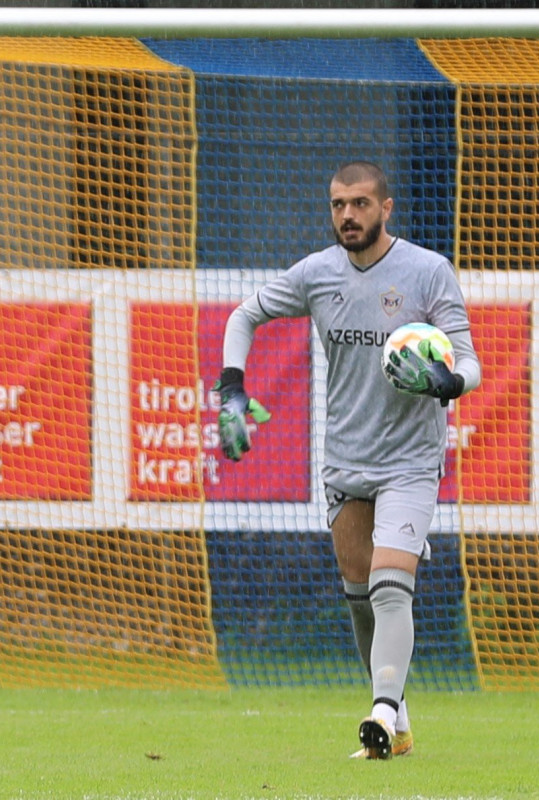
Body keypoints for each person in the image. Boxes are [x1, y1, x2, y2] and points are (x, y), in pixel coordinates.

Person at [216, 160, 481, 760]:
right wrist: (232, 388)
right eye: (338, 204)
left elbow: (470, 363)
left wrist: (446, 382)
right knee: (360, 592)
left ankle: (381, 712)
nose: (347, 215)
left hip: (410, 459)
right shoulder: (318, 273)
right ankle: (400, 720)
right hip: (346, 459)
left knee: (392, 587)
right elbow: (243, 315)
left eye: (360, 204)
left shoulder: (426, 271)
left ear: (386, 209)